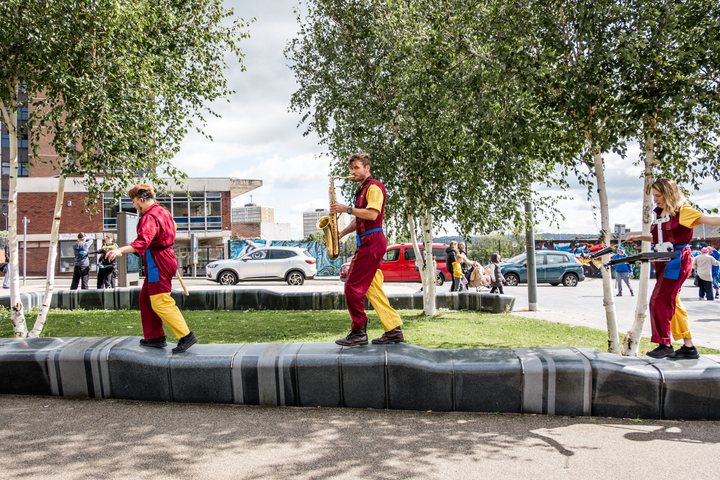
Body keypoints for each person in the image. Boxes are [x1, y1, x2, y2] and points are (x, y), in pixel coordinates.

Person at [626, 178, 720, 359]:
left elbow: (710, 219)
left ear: (669, 194)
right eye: (653, 196)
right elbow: (660, 238)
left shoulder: (684, 211)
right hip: (664, 258)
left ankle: (664, 344)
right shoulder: (663, 214)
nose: (655, 199)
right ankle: (689, 347)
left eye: (658, 195)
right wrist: (638, 237)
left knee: (658, 300)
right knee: (674, 304)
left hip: (676, 260)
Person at [105, 184, 198, 353]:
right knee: (146, 299)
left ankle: (186, 336)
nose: (133, 206)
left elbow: (142, 242)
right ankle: (155, 337)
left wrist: (119, 250)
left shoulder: (149, 217)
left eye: (134, 202)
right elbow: (172, 228)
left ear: (141, 199)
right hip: (162, 258)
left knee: (161, 301)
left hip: (158, 262)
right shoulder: (163, 212)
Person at [329, 152, 404, 346]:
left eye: (357, 168)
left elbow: (371, 214)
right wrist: (343, 232)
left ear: (367, 168)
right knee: (372, 288)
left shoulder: (374, 187)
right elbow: (360, 217)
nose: (353, 172)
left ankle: (359, 332)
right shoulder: (363, 188)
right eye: (351, 168)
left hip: (372, 243)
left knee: (351, 286)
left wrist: (345, 209)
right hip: (368, 241)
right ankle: (393, 329)